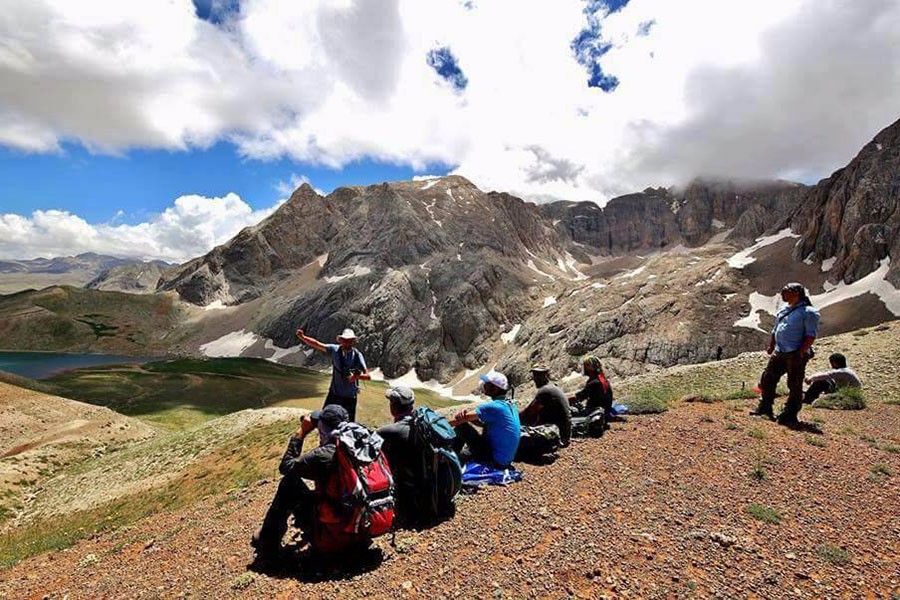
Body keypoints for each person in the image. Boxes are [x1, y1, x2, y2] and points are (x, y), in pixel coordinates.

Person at [251, 404, 350, 560]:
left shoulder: (325, 455)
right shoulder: (360, 445)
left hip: (336, 531)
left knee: (289, 483)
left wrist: (302, 432)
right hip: (361, 526)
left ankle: (267, 542)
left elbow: (286, 466)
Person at [751, 282, 820, 427]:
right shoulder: (784, 309)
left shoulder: (809, 312)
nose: (783, 294)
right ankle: (765, 407)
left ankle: (790, 414)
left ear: (797, 293)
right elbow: (776, 329)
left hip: (795, 353)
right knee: (768, 378)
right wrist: (772, 345)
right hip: (780, 351)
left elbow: (810, 335)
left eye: (786, 292)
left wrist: (801, 352)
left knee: (794, 384)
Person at [296, 327, 370, 421]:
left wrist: (355, 376)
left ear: (353, 341)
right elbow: (317, 344)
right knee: (325, 419)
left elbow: (367, 376)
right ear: (341, 340)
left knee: (347, 425)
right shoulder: (334, 349)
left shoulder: (357, 355)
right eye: (345, 340)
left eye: (350, 340)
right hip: (334, 394)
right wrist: (303, 337)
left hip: (349, 397)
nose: (347, 343)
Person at [449, 370, 521, 468]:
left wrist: (438, 425)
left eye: (487, 383)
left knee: (462, 427)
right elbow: (492, 425)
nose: (484, 385)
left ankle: (448, 457)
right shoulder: (510, 404)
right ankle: (455, 456)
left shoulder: (495, 406)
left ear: (495, 388)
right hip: (504, 460)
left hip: (494, 460)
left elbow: (458, 420)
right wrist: (469, 418)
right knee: (465, 430)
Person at [376, 386, 417, 523]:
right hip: (431, 489)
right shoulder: (423, 424)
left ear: (393, 407)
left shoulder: (387, 432)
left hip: (408, 496)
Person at [519, 364, 572, 447]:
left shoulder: (545, 390)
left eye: (539, 375)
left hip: (556, 435)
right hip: (565, 434)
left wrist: (513, 418)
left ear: (546, 375)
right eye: (535, 375)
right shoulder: (553, 386)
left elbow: (529, 411)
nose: (535, 378)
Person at [568, 355, 614, 422]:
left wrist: (564, 399)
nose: (584, 368)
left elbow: (580, 397)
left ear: (590, 367)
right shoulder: (602, 379)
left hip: (595, 412)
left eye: (585, 365)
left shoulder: (595, 382)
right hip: (603, 412)